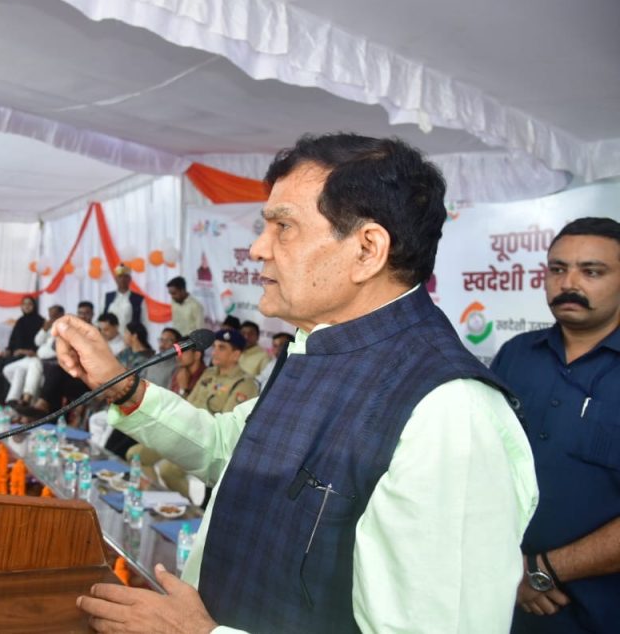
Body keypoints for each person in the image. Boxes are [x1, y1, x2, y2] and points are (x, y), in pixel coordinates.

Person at [56, 133, 537, 633]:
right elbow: (231, 449)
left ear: (368, 250)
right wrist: (122, 387)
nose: (258, 248)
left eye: (283, 227)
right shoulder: (318, 347)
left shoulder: (450, 413)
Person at [490, 217, 620, 634]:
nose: (569, 283)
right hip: (500, 601)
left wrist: (541, 570)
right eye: (558, 269)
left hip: (599, 612)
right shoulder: (515, 355)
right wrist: (507, 567)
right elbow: (480, 469)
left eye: (592, 271)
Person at [128, 329, 258, 497]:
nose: (214, 351)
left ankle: (189, 507)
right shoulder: (209, 373)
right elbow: (188, 405)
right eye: (214, 347)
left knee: (168, 471)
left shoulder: (245, 384)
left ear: (236, 355)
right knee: (135, 455)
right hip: (183, 433)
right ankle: (160, 498)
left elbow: (227, 428)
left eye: (222, 348)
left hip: (206, 445)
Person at [4, 305, 64, 409]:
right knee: (8, 370)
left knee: (26, 368)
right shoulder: (49, 326)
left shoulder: (64, 329)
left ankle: (18, 402)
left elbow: (57, 350)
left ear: (61, 315)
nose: (51, 318)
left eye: (54, 316)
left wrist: (38, 355)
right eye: (50, 315)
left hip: (46, 361)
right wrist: (44, 330)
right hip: (35, 358)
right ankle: (18, 400)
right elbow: (37, 342)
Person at [0, 296, 44, 404]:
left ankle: (8, 398)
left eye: (29, 304)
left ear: (34, 306)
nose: (27, 306)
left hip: (29, 355)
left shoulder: (40, 321)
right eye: (24, 304)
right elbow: (13, 340)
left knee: (7, 364)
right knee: (0, 360)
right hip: (16, 353)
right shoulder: (20, 321)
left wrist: (22, 351)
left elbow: (39, 344)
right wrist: (8, 350)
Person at [105, 265, 146, 329]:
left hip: (130, 334)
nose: (122, 279)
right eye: (120, 276)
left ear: (130, 279)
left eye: (125, 276)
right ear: (115, 279)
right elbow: (101, 319)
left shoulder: (139, 299)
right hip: (110, 334)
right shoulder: (107, 297)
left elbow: (144, 323)